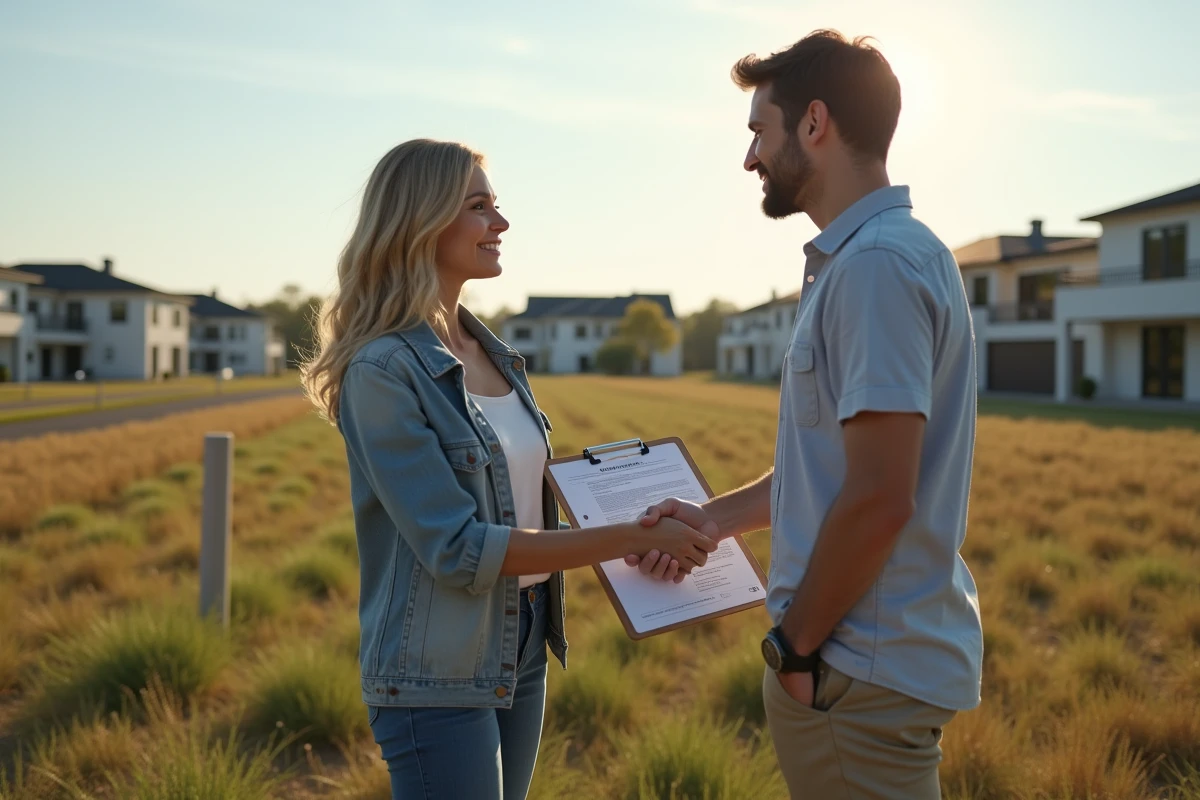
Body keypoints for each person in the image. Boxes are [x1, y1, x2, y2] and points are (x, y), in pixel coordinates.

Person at [300, 138, 718, 800]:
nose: (501, 222)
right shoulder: (383, 370)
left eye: (495, 205)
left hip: (521, 643)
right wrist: (627, 537)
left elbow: (519, 507)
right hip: (437, 667)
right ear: (421, 221)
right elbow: (460, 548)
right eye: (478, 207)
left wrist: (636, 528)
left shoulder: (493, 354)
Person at [631, 30, 983, 798]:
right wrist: (712, 519)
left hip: (852, 670)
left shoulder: (875, 267)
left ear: (814, 123)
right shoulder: (881, 256)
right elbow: (832, 472)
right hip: (866, 667)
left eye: (759, 130)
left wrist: (794, 650)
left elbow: (880, 497)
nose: (750, 158)